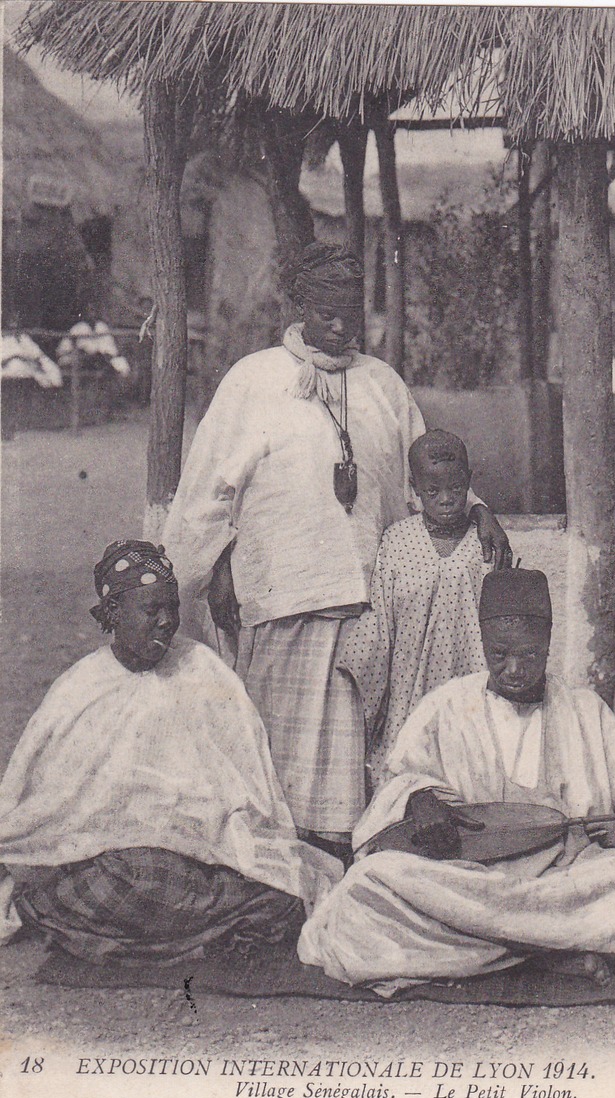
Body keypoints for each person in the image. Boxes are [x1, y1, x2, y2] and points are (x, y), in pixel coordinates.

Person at [162, 242, 511, 859]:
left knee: (361, 744)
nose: (342, 326)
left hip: (367, 601)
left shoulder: (382, 384)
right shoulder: (253, 379)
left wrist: (477, 507)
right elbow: (208, 490)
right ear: (299, 307)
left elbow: (425, 473)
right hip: (282, 593)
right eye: (327, 313)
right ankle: (279, 849)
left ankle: (353, 849)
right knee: (279, 756)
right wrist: (213, 566)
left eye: (352, 311)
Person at [299, 568, 615, 996]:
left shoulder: (585, 711)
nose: (514, 669)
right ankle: (551, 949)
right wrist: (417, 798)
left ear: (549, 646)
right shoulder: (446, 705)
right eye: (499, 655)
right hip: (464, 879)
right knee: (369, 885)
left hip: (565, 881)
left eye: (530, 656)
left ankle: (513, 949)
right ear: (482, 643)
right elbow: (397, 782)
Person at [0, 541, 340, 964]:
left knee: (282, 895)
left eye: (172, 609)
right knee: (130, 879)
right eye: (151, 611)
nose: (165, 622)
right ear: (113, 615)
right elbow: (46, 802)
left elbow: (248, 775)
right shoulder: (81, 688)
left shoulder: (202, 667)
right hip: (117, 861)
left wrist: (203, 824)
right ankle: (194, 938)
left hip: (201, 851)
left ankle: (135, 940)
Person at [337, 430, 488, 786]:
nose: (447, 500)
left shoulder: (483, 544)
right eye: (433, 492)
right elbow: (381, 619)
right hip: (409, 683)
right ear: (414, 488)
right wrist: (357, 666)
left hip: (469, 681)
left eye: (455, 489)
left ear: (468, 481)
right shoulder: (397, 540)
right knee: (407, 764)